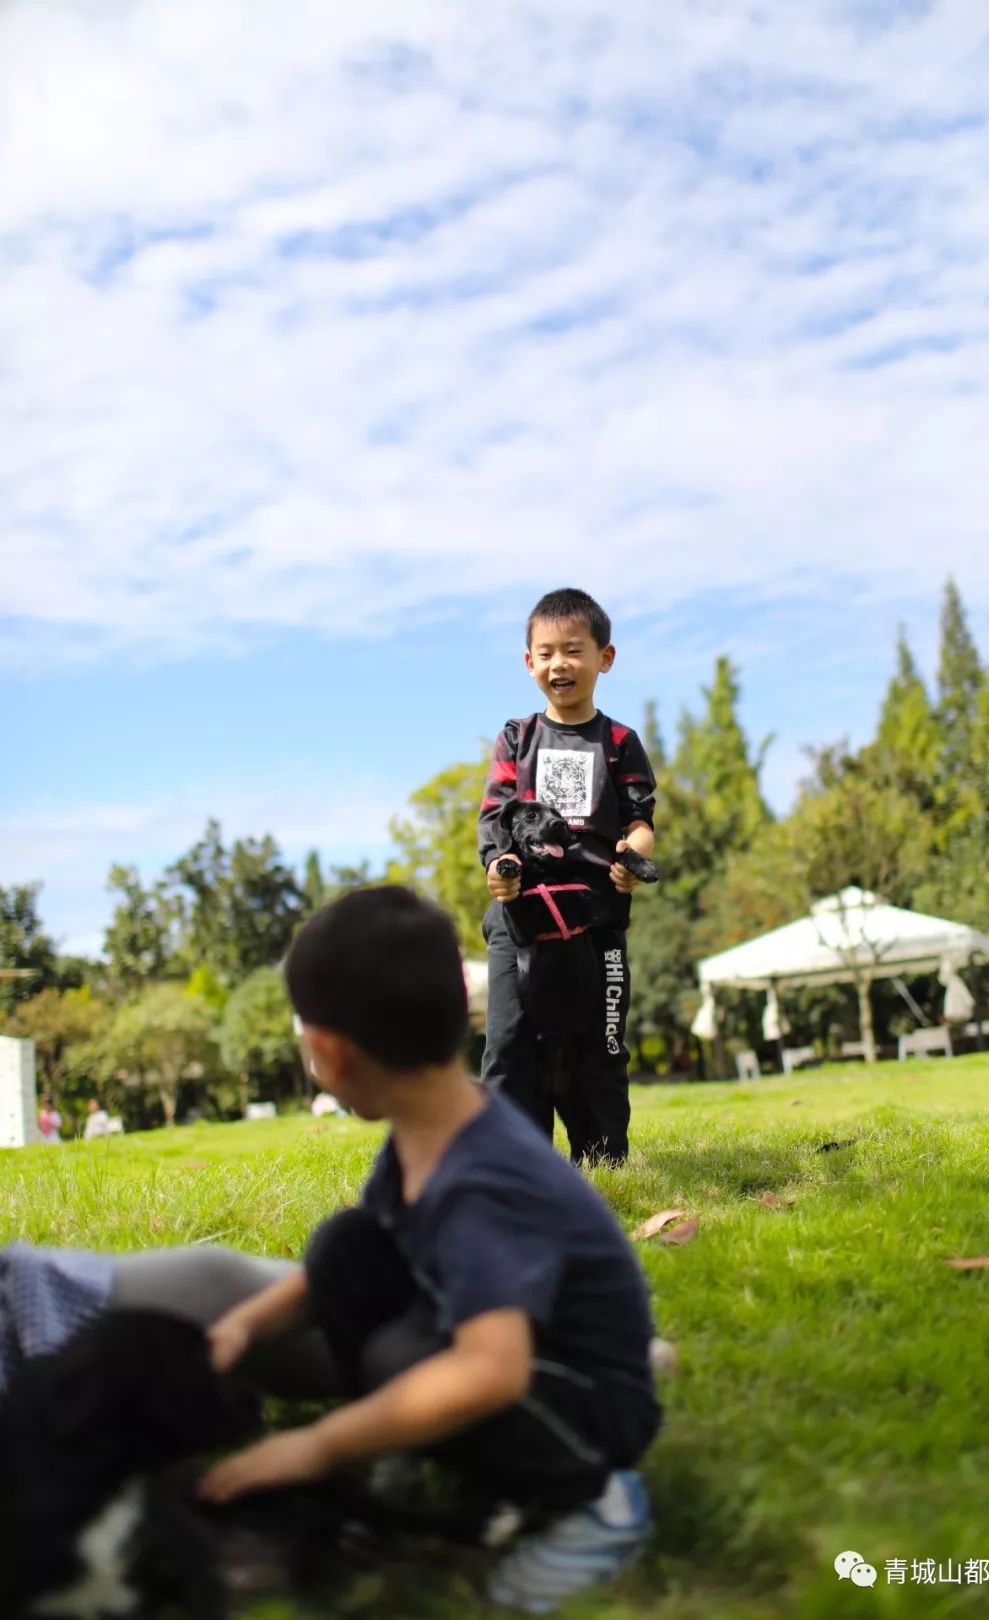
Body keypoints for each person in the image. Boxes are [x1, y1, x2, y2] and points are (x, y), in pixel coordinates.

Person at [197, 885, 661, 1612]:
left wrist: (319, 1447)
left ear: (327, 1053)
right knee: (347, 1245)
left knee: (402, 1363)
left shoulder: (482, 1181)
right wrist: (244, 1327)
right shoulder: (429, 1125)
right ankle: (419, 1437)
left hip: (587, 1402)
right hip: (515, 1345)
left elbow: (491, 1373)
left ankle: (598, 1500)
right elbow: (342, 1273)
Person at [478, 587, 657, 1164]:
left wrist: (631, 856)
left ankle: (604, 1166)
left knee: (599, 1047)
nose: (561, 664)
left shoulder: (621, 743)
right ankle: (515, 1170)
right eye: (547, 653)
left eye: (574, 651)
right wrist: (500, 871)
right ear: (529, 662)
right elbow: (494, 820)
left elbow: (639, 821)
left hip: (595, 929)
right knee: (508, 1046)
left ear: (604, 658)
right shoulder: (517, 738)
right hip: (521, 927)